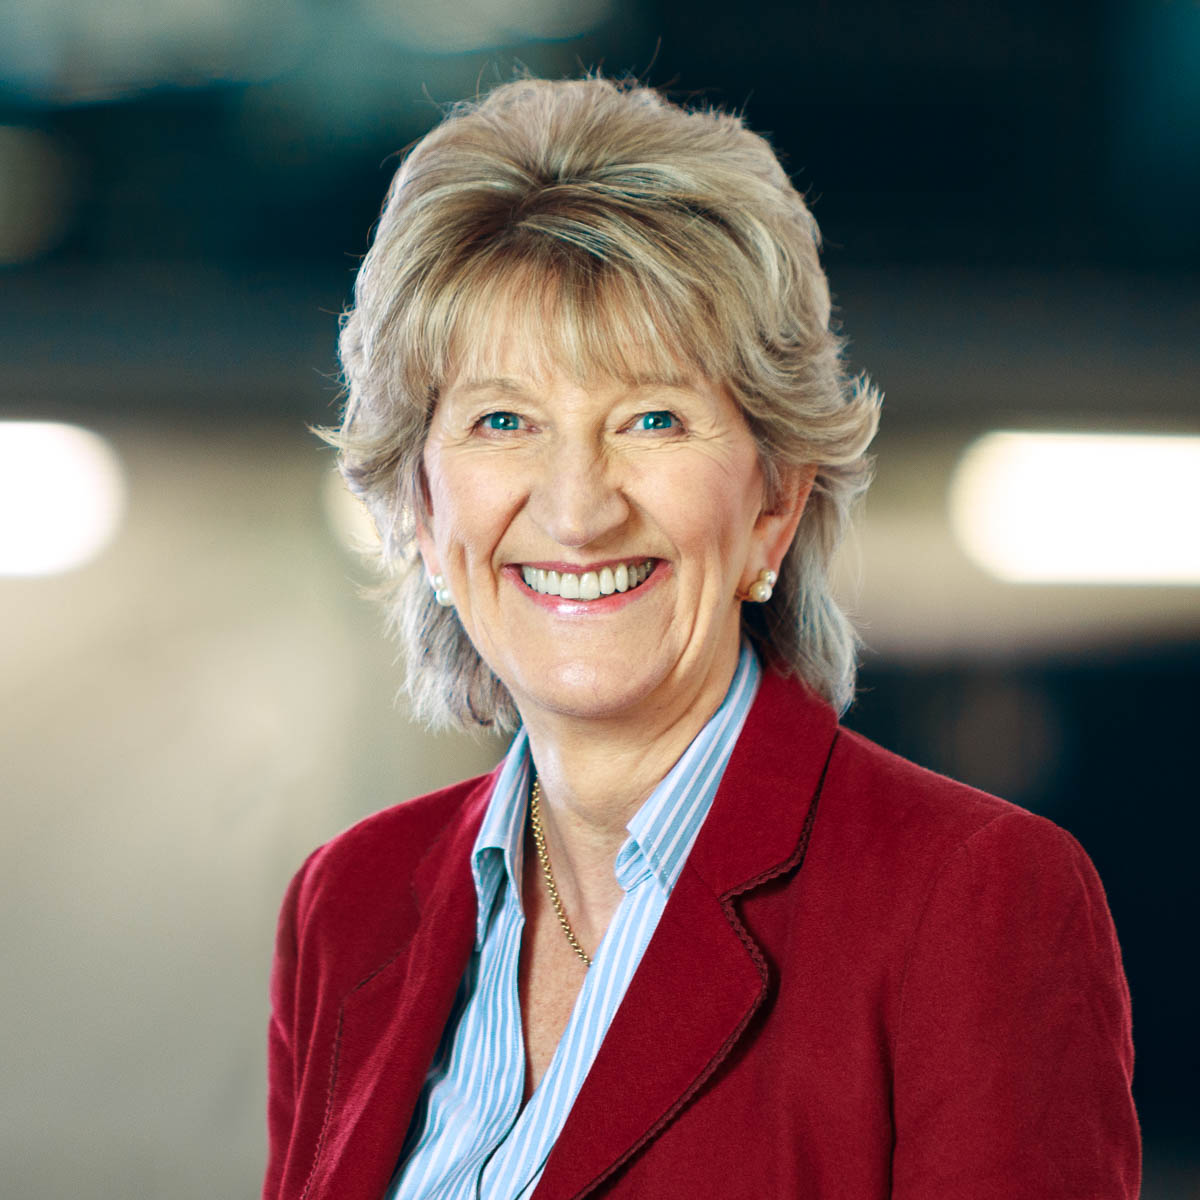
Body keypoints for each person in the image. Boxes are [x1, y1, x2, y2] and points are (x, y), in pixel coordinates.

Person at [263, 76, 1139, 1200]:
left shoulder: (971, 905)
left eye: (653, 419)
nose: (577, 508)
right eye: (502, 421)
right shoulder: (350, 906)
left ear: (775, 500)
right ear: (425, 513)